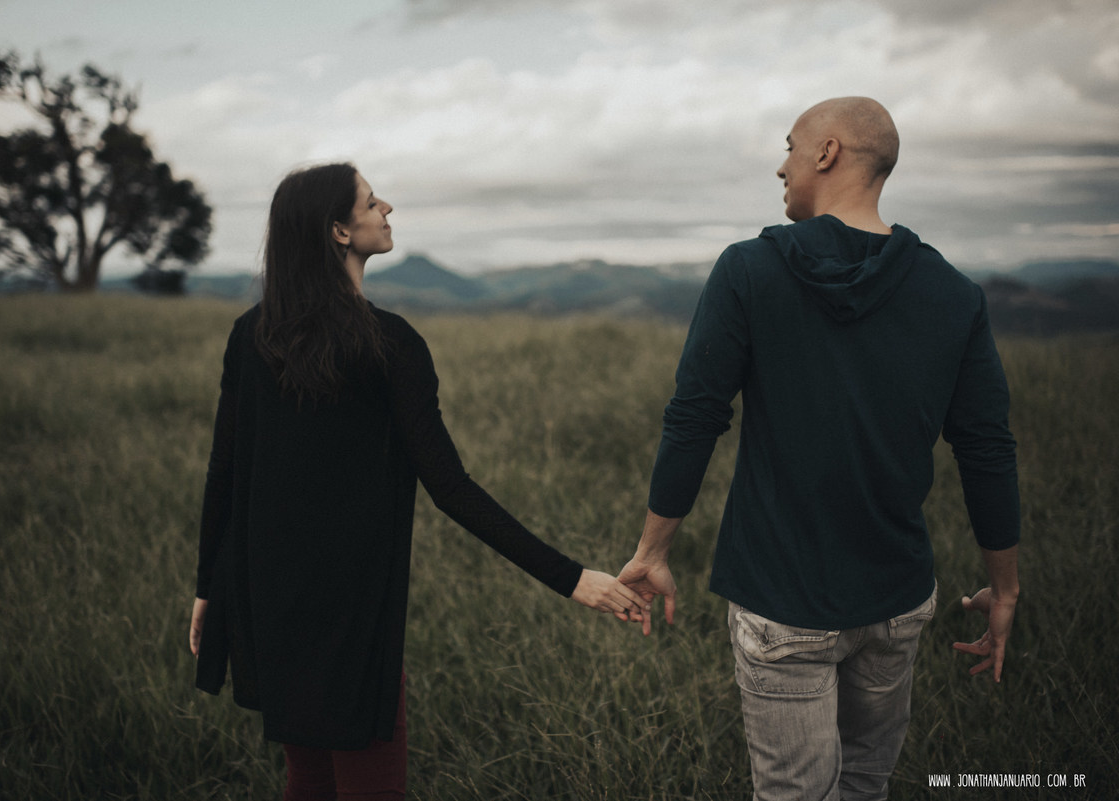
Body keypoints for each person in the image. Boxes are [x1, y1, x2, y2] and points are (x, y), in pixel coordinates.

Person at [188, 163, 647, 801]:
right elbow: (450, 486)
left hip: (269, 595)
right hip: (354, 610)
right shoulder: (390, 344)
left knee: (310, 779)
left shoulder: (253, 334)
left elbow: (225, 470)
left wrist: (211, 586)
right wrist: (573, 579)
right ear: (339, 232)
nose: (388, 208)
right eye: (372, 202)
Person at [617, 97, 1021, 800]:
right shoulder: (953, 293)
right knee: (866, 781)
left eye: (790, 146)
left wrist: (653, 552)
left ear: (828, 152)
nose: (782, 165)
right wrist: (1005, 585)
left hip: (783, 595)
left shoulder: (748, 270)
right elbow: (986, 448)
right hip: (897, 596)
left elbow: (694, 416)